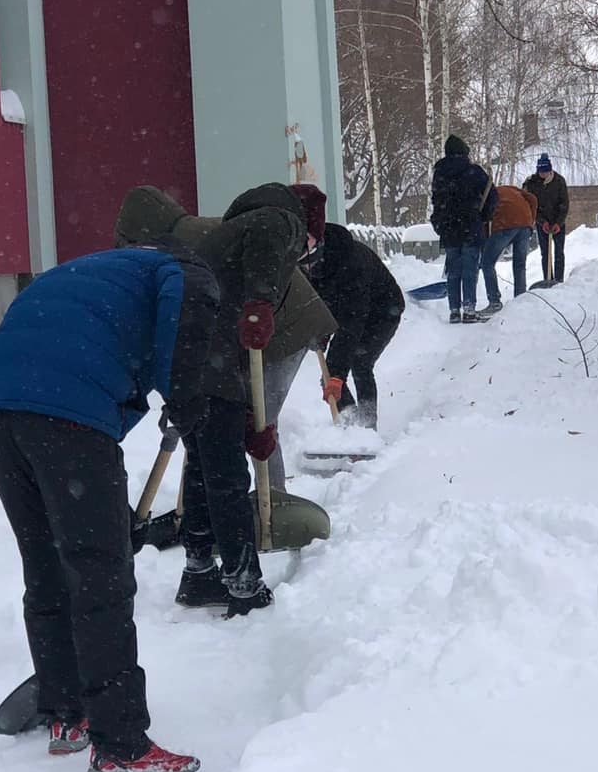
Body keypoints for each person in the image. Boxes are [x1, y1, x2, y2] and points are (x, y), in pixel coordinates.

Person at [0, 241, 219, 772]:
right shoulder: (182, 270)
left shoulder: (98, 273)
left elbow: (104, 384)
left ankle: (70, 714)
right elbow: (186, 318)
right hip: (65, 401)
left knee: (45, 564)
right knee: (100, 574)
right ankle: (121, 744)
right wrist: (186, 400)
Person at [115, 183, 310, 612]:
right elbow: (266, 243)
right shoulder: (276, 218)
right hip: (211, 360)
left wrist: (247, 422)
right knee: (225, 478)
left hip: (190, 363)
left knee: (203, 470)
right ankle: (243, 583)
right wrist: (260, 300)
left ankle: (199, 573)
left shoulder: (224, 234)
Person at [291, 183, 405, 430]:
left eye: (305, 241)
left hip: (383, 310)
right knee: (330, 377)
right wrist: (318, 330)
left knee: (359, 363)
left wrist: (337, 374)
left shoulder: (350, 262)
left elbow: (352, 321)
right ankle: (350, 425)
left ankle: (367, 428)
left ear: (318, 240)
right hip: (347, 310)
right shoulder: (301, 261)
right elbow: (314, 302)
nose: (305, 267)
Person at [263, 268, 337, 491]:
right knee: (258, 418)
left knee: (262, 419)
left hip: (288, 327)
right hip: (277, 320)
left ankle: (274, 498)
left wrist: (338, 373)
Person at [430, 134, 498, 323]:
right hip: (470, 226)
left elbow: (436, 201)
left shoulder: (439, 173)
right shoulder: (474, 172)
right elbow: (492, 196)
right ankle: (469, 309)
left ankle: (454, 311)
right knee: (470, 270)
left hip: (449, 228)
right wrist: (483, 216)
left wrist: (439, 223)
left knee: (453, 271)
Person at [479, 184, 538, 313]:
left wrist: (484, 244)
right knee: (519, 265)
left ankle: (494, 302)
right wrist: (531, 220)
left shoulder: (485, 196)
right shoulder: (512, 189)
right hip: (525, 224)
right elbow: (532, 199)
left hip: (505, 224)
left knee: (487, 263)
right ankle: (520, 299)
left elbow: (483, 221)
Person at [522, 152, 570, 282]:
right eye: (541, 172)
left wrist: (558, 223)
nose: (543, 175)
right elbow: (530, 205)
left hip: (557, 222)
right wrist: (541, 221)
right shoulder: (532, 183)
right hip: (542, 222)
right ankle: (548, 278)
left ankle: (559, 280)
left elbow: (564, 204)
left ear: (550, 171)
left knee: (559, 252)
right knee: (545, 253)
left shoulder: (559, 181)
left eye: (546, 172)